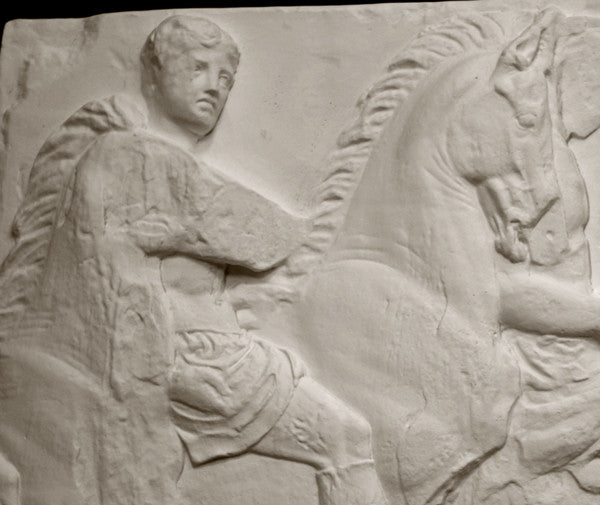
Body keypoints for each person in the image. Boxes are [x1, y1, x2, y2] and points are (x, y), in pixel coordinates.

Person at [0, 15, 388, 505]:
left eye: (225, 78)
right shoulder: (131, 156)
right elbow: (259, 237)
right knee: (347, 435)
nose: (215, 87)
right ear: (155, 73)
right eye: (199, 68)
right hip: (184, 363)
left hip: (207, 356)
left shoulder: (152, 159)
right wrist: (354, 180)